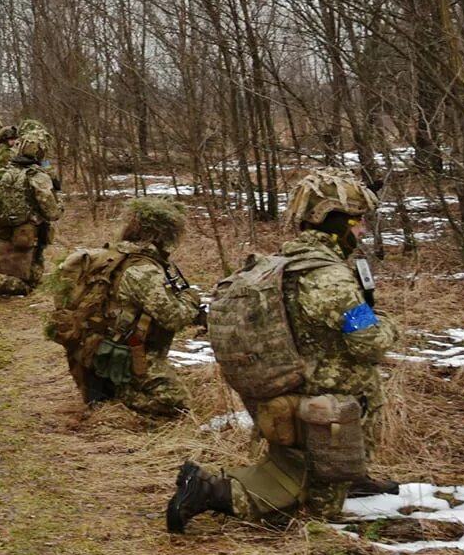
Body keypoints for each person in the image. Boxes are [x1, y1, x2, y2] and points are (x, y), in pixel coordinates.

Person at [168, 168, 399, 532]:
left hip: (291, 394)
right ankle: (208, 490)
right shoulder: (328, 276)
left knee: (302, 474)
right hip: (324, 406)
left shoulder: (283, 263)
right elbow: (369, 340)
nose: (363, 230)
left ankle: (346, 477)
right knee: (313, 512)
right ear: (334, 222)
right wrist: (388, 323)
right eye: (357, 221)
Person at [43, 198, 199, 418]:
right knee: (175, 402)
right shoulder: (142, 269)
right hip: (121, 353)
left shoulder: (113, 255)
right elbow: (174, 317)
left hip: (94, 347)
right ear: (164, 234)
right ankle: (116, 391)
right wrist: (191, 298)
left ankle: (102, 385)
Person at [0, 126, 60, 298]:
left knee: (14, 273)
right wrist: (60, 202)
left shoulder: (3, 172)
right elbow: (53, 213)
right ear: (41, 152)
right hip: (25, 239)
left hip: (2, 235)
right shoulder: (37, 177)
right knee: (28, 287)